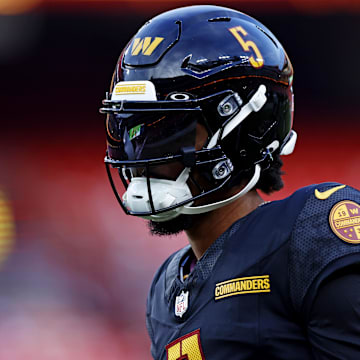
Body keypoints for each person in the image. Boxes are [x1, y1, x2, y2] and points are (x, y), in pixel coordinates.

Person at [100, 5, 360, 359]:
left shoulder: (312, 235)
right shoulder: (165, 290)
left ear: (244, 131)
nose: (139, 156)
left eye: (166, 131)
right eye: (133, 130)